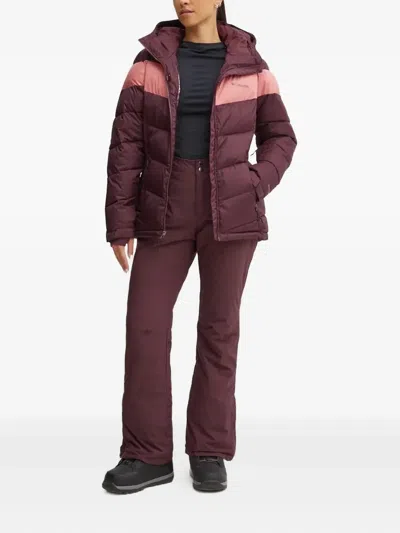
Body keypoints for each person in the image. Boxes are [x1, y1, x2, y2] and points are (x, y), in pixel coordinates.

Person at [102, 0, 297, 494]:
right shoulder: (148, 64)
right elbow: (125, 147)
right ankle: (147, 454)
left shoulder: (251, 65)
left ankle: (208, 449)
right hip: (162, 209)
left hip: (230, 212)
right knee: (145, 326)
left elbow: (281, 137)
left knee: (219, 329)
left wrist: (253, 182)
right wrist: (119, 223)